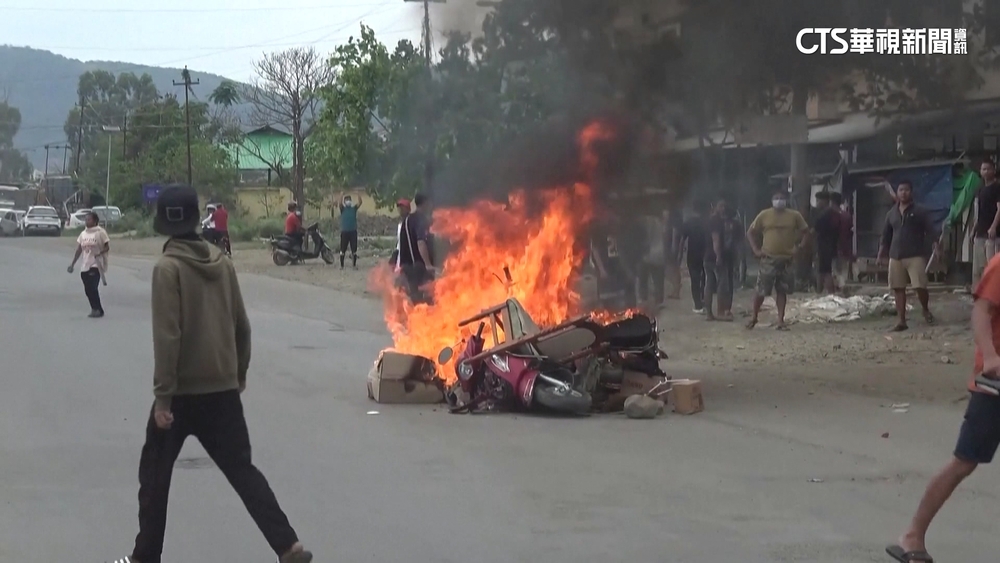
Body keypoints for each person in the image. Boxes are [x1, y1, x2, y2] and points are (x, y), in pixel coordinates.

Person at [112, 185, 313, 563]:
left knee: (155, 475)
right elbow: (242, 326)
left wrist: (163, 397)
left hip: (181, 394)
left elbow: (168, 336)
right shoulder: (222, 262)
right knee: (243, 471)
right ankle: (288, 546)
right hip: (222, 390)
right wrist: (239, 373)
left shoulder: (167, 269)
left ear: (163, 224)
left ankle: (144, 557)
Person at [885, 253, 1000, 563]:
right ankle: (913, 534)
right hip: (996, 384)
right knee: (964, 461)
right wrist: (989, 357)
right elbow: (981, 311)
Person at [876, 180, 938, 331]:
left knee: (920, 286)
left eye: (906, 190)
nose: (903, 193)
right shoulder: (891, 213)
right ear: (897, 192)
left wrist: (936, 245)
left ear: (912, 192)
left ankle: (925, 309)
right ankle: (901, 320)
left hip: (915, 254)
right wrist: (880, 254)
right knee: (898, 288)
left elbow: (931, 230)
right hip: (895, 255)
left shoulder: (920, 211)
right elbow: (885, 236)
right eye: (901, 190)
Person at [745, 190, 809, 330]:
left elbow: (806, 231)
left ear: (786, 200)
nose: (779, 200)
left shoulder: (794, 215)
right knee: (761, 290)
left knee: (782, 290)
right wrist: (756, 250)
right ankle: (754, 317)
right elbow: (750, 232)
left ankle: (780, 320)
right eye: (776, 197)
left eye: (782, 198)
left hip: (787, 259)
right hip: (768, 258)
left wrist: (800, 247)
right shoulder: (764, 215)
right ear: (772, 199)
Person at [590, 210, 636, 310]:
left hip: (616, 266)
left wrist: (626, 267)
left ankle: (618, 312)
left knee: (618, 294)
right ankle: (606, 313)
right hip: (606, 266)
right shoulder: (599, 230)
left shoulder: (618, 230)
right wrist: (601, 269)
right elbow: (595, 250)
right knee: (605, 296)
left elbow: (622, 250)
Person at [66, 211, 109, 318]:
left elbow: (107, 246)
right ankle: (95, 308)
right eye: (86, 219)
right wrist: (72, 264)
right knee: (88, 289)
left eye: (89, 219)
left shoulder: (100, 232)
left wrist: (100, 253)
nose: (87, 221)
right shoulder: (83, 234)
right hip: (85, 264)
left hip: (96, 264)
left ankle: (98, 309)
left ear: (95, 221)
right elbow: (79, 249)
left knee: (93, 287)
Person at [390, 198, 433, 304]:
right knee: (423, 295)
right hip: (416, 265)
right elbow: (420, 242)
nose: (400, 210)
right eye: (399, 208)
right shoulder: (418, 220)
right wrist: (427, 264)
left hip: (408, 265)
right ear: (426, 204)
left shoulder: (408, 221)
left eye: (402, 207)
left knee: (413, 294)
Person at [705, 198, 738, 321]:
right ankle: (721, 312)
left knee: (709, 284)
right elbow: (716, 239)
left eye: (724, 206)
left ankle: (709, 313)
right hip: (716, 257)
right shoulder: (717, 222)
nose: (723, 209)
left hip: (707, 256)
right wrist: (718, 255)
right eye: (720, 206)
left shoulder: (709, 220)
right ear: (715, 207)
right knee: (722, 285)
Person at [973, 160, 1000, 287]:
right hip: (980, 232)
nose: (986, 171)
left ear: (994, 170)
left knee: (993, 265)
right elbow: (978, 211)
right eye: (983, 169)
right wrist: (974, 228)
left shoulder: (997, 188)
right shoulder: (980, 189)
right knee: (980, 266)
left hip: (993, 233)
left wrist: (993, 227)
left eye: (988, 169)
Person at [679, 206, 709, 314]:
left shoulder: (688, 223)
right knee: (704, 278)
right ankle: (703, 299)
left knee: (695, 280)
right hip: (704, 254)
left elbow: (682, 241)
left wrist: (680, 255)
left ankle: (698, 305)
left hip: (692, 255)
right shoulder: (706, 223)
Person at [637, 210, 668, 307]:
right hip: (659, 253)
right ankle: (659, 301)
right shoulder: (659, 222)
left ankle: (643, 299)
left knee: (643, 279)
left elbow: (642, 239)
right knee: (658, 280)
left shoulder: (643, 222)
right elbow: (665, 235)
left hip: (645, 255)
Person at [813, 192, 841, 295]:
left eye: (818, 200)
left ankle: (830, 293)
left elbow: (815, 230)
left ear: (825, 200)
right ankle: (819, 291)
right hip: (830, 245)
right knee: (821, 270)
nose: (817, 203)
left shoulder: (825, 214)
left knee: (825, 271)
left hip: (825, 245)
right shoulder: (833, 213)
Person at [830, 191, 854, 290]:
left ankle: (837, 287)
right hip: (845, 246)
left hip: (832, 246)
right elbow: (850, 232)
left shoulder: (830, 215)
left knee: (833, 269)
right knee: (842, 268)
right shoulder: (847, 215)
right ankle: (842, 286)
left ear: (831, 202)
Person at [412, 192, 435, 268]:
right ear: (424, 203)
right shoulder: (420, 219)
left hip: (411, 265)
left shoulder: (409, 219)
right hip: (420, 267)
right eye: (428, 203)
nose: (430, 205)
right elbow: (421, 242)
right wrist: (427, 264)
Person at [338, 194, 361, 269]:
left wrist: (358, 194)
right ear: (344, 202)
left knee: (354, 249)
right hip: (344, 232)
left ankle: (354, 265)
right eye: (347, 200)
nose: (348, 201)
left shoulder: (353, 209)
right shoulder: (343, 209)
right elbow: (339, 203)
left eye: (349, 200)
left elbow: (360, 202)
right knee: (342, 249)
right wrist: (341, 194)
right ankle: (342, 266)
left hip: (353, 232)